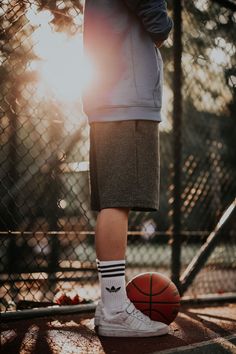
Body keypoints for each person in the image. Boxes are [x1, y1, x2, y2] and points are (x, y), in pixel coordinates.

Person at [82, 0, 173, 337]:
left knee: (113, 202)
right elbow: (156, 20)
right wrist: (163, 22)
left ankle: (111, 302)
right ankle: (115, 309)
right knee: (117, 202)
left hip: (110, 92)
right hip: (125, 94)